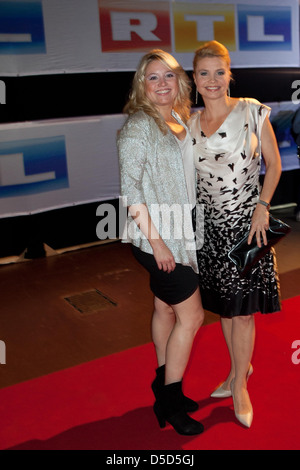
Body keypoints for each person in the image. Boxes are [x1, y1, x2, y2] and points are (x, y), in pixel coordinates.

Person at [189, 41, 282, 428]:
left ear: (230, 74)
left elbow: (274, 165)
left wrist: (262, 207)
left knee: (243, 314)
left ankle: (240, 385)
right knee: (227, 309)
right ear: (194, 79)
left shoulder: (252, 110)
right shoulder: (189, 124)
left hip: (247, 227)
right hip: (210, 230)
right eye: (203, 73)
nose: (212, 80)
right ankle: (234, 372)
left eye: (219, 71)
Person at [117, 49, 205, 435]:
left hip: (183, 232)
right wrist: (159, 244)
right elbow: (130, 191)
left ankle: (163, 383)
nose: (162, 83)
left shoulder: (181, 119)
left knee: (165, 309)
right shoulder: (139, 126)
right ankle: (170, 402)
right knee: (193, 316)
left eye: (168, 75)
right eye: (153, 77)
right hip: (157, 237)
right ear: (142, 85)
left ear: (179, 80)